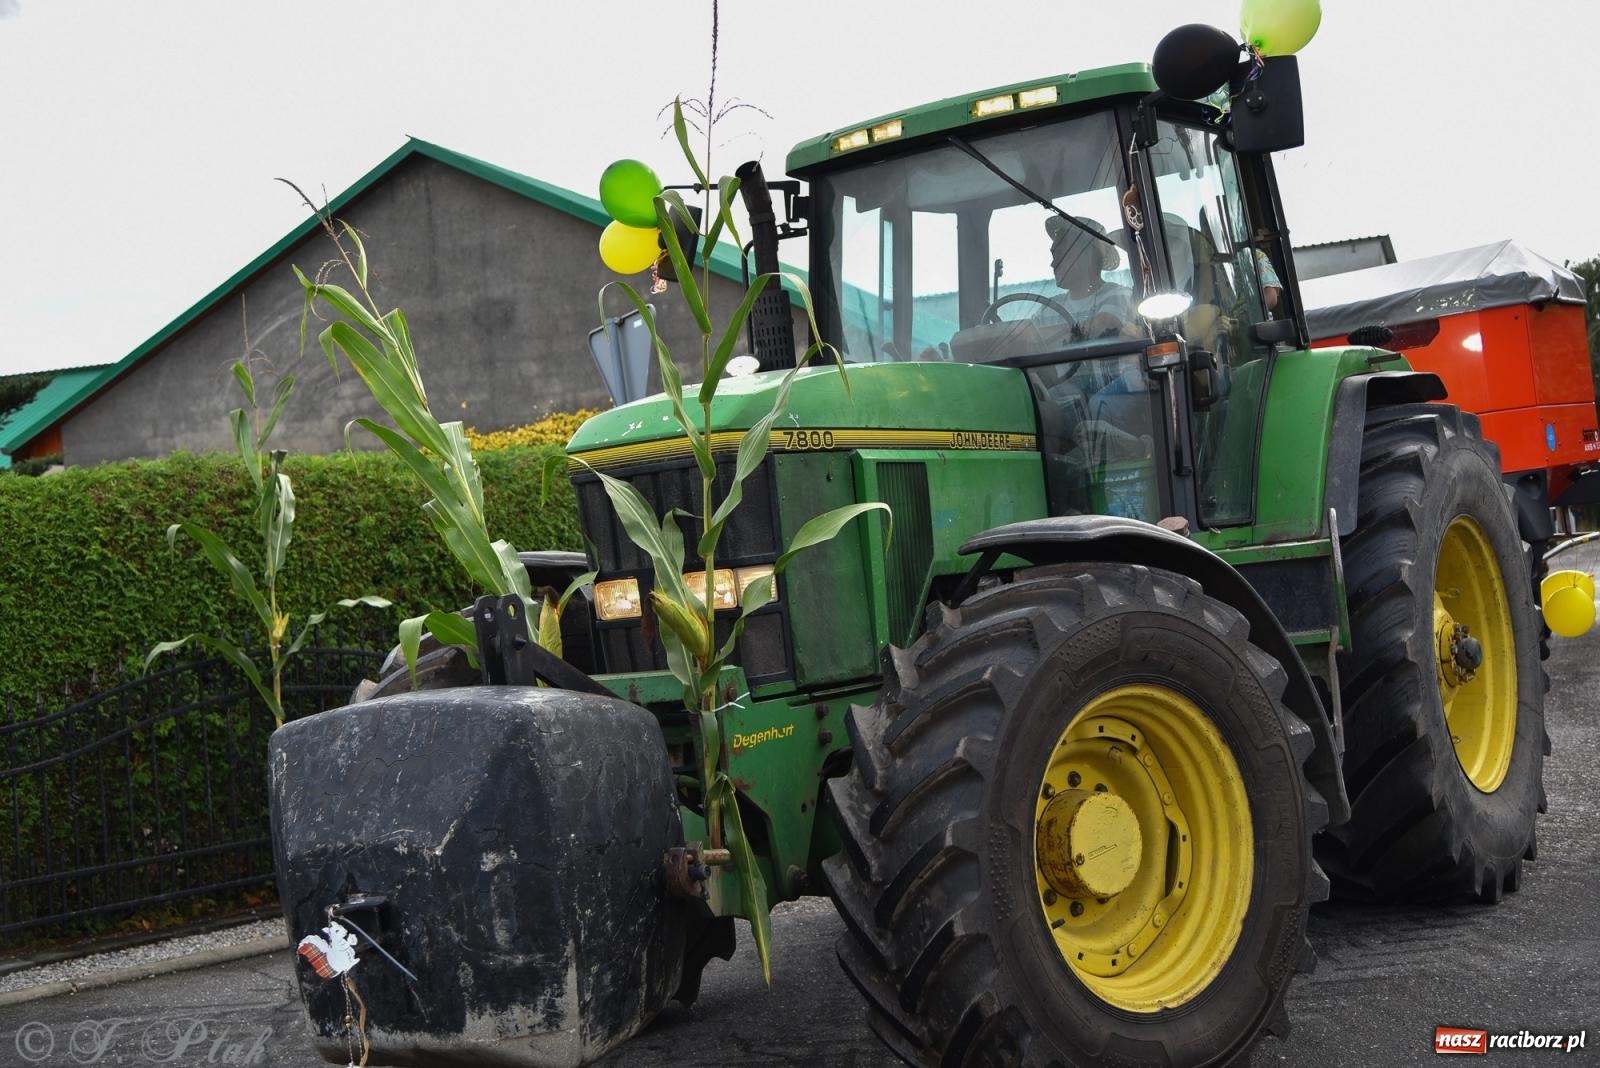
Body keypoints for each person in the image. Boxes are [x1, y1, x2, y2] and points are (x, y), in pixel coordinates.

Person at [1043, 215, 1139, 340]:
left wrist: (1036, 336)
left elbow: (1104, 326)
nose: (1053, 264)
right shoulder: (1048, 308)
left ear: (1087, 255)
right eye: (1054, 255)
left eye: (1060, 254)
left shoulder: (1118, 295)